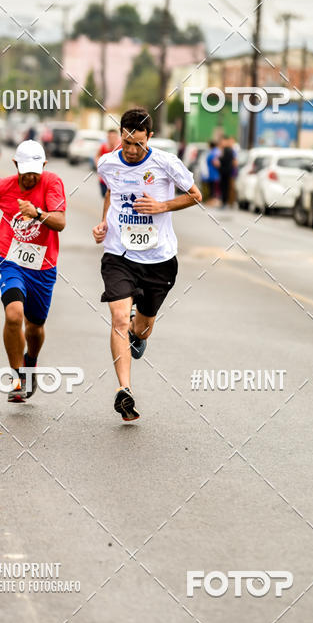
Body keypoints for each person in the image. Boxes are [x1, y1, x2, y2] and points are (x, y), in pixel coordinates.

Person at [92, 108, 202, 422]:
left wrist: (162, 205)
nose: (130, 150)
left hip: (159, 260)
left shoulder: (166, 163)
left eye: (137, 144)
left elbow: (196, 195)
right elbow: (112, 192)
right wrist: (103, 225)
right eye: (126, 142)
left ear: (148, 138)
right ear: (120, 136)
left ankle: (137, 335)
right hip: (119, 255)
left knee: (141, 328)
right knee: (118, 320)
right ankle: (124, 390)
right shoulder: (108, 163)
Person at [0, 140, 66, 403]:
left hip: (42, 266)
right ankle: (17, 377)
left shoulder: (52, 183)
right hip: (10, 260)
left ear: (44, 166)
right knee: (14, 315)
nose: (29, 177)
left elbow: (60, 223)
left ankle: (30, 362)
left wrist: (37, 213)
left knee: (35, 328)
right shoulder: (2, 187)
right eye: (24, 170)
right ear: (15, 165)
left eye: (35, 171)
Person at [95, 128, 120, 197]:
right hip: (104, 180)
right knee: (105, 197)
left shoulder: (120, 148)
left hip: (116, 180)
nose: (112, 139)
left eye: (114, 137)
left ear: (117, 137)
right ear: (107, 137)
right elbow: (97, 156)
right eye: (110, 137)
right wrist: (98, 166)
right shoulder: (103, 147)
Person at [219, 136, 236, 208]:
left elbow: (233, 162)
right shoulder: (228, 150)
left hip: (227, 172)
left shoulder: (228, 150)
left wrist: (219, 159)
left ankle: (226, 203)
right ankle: (225, 202)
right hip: (226, 171)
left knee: (227, 187)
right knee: (225, 187)